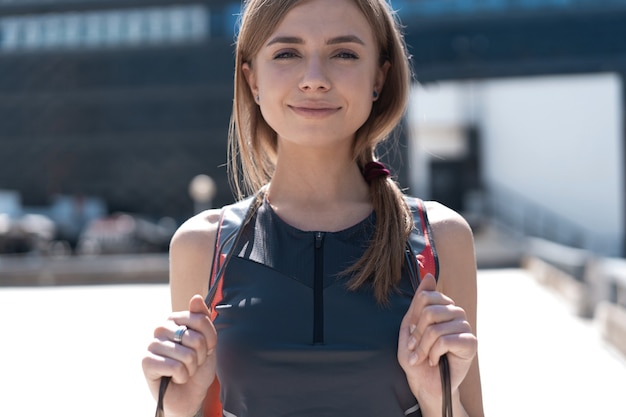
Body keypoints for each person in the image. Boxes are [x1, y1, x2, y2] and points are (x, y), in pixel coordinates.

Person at [142, 0, 484, 416]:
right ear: (252, 80)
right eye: (287, 53)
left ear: (379, 77)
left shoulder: (438, 239)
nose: (315, 79)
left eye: (344, 54)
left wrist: (436, 400)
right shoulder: (203, 246)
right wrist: (178, 410)